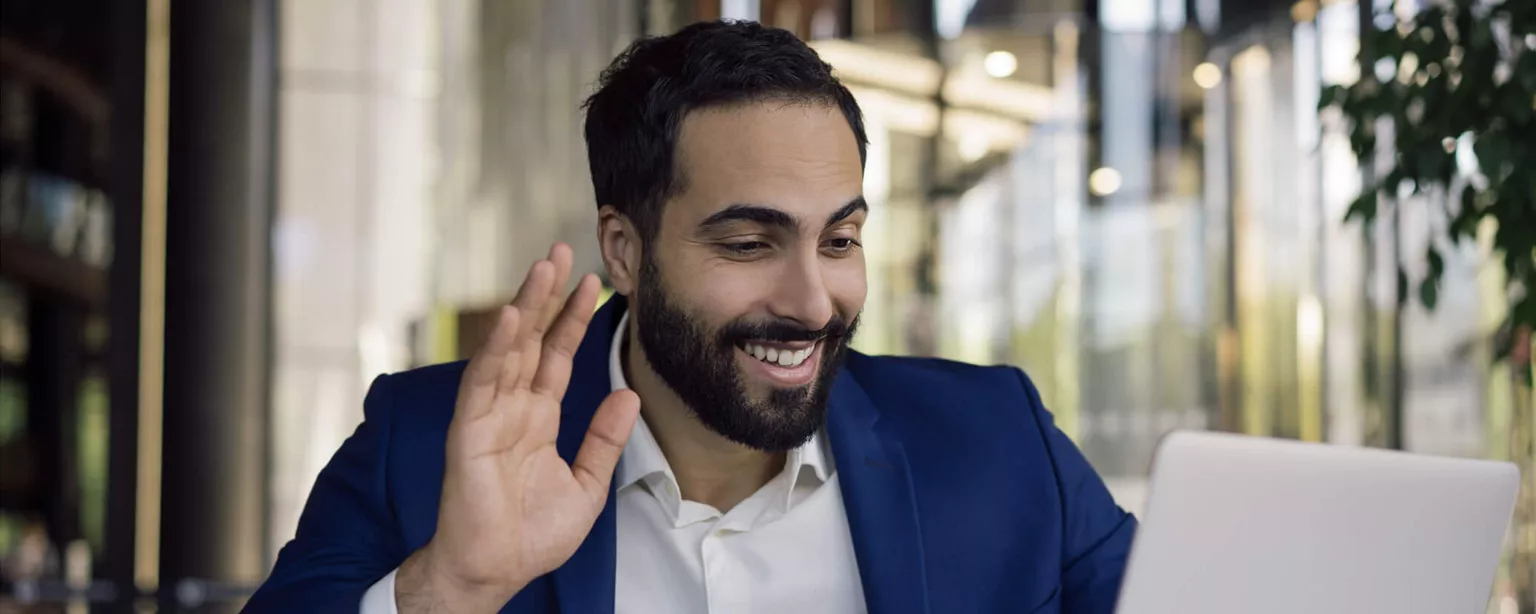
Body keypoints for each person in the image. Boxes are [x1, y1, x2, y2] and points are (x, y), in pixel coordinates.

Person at [245, 20, 1134, 614]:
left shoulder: (998, 441)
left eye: (839, 240)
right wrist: (446, 588)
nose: (812, 302)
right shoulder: (426, 441)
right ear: (624, 249)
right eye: (749, 245)